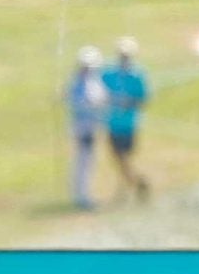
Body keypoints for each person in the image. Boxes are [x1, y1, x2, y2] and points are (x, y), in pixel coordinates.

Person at [101, 36, 152, 201]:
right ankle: (131, 185)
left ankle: (135, 183)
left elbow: (143, 98)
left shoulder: (137, 75)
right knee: (119, 158)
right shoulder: (109, 73)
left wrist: (128, 102)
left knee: (122, 157)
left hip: (128, 123)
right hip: (112, 122)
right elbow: (99, 92)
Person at [64, 46, 109, 209]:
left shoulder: (92, 81)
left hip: (91, 127)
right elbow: (80, 104)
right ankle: (81, 196)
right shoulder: (78, 83)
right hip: (83, 128)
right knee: (83, 163)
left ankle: (84, 194)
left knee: (88, 162)